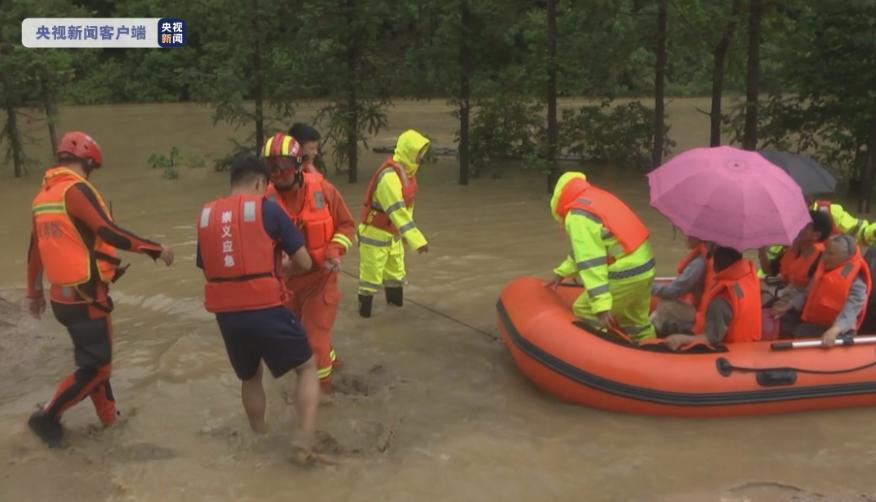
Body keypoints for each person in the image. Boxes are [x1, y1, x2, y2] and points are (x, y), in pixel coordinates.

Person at [26, 131, 174, 447]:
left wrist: (33, 292)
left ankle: (110, 421)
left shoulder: (44, 196)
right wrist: (155, 249)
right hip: (86, 296)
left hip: (61, 298)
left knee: (94, 363)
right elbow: (108, 231)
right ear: (89, 162)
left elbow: (34, 250)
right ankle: (48, 416)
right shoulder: (76, 190)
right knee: (97, 368)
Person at [196, 153, 319, 452]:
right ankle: (304, 436)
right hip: (265, 308)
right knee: (306, 366)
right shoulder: (269, 209)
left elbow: (207, 265)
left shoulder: (207, 215)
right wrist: (281, 266)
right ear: (260, 182)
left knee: (250, 377)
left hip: (227, 316)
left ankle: (260, 437)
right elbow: (304, 262)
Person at [261, 132, 355, 393]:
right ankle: (333, 363)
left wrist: (335, 251)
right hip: (287, 284)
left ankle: (323, 395)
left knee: (314, 342)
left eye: (283, 167)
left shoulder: (323, 190)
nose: (278, 174)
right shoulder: (263, 200)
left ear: (298, 165)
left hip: (321, 279)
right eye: (271, 168)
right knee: (301, 339)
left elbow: (347, 226)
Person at [548, 172, 656, 340]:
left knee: (584, 309)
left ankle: (601, 355)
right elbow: (586, 251)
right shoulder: (597, 199)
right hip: (646, 265)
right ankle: (652, 350)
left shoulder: (577, 216)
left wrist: (601, 305)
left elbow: (590, 261)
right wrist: (562, 272)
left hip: (626, 270)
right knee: (636, 323)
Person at [357, 129, 430, 318]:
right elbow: (396, 210)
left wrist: (405, 236)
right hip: (374, 233)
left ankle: (396, 315)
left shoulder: (409, 175)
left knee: (396, 277)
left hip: (393, 235)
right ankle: (365, 318)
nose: (421, 158)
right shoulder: (389, 177)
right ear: (408, 151)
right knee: (370, 280)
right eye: (418, 153)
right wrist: (417, 240)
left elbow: (408, 209)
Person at [772, 234, 872, 346]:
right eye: (825, 251)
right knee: (786, 327)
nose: (824, 257)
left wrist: (835, 330)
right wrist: (789, 305)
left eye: (831, 254)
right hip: (812, 323)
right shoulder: (824, 268)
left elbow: (851, 311)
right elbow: (807, 293)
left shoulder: (857, 282)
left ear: (846, 257)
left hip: (838, 330)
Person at [665, 246, 762, 350]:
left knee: (667, 326)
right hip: (749, 347)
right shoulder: (748, 277)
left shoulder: (722, 299)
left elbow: (711, 338)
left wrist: (682, 339)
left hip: (729, 353)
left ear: (716, 262)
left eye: (711, 256)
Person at [650, 236, 712, 335]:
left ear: (700, 238)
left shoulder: (698, 263)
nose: (686, 237)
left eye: (690, 235)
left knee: (666, 304)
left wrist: (647, 287)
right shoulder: (707, 255)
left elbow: (672, 292)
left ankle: (652, 334)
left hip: (701, 313)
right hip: (701, 307)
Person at [776, 209, 832, 289]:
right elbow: (781, 273)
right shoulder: (795, 247)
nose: (798, 228)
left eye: (804, 227)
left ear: (816, 235)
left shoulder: (821, 261)